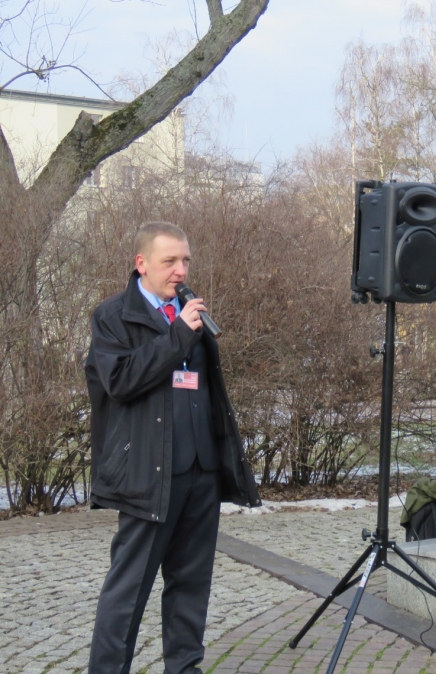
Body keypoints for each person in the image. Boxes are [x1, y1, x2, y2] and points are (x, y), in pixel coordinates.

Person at [85, 222, 261, 674]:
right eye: (170, 261)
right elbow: (120, 381)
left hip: (200, 472)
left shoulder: (188, 314)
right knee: (128, 590)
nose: (181, 271)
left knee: (190, 586)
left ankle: (184, 668)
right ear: (141, 263)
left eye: (185, 261)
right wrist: (178, 335)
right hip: (148, 475)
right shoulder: (113, 317)